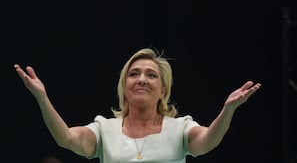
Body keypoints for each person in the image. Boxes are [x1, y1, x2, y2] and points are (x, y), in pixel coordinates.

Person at [14, 48, 261, 162]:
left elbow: (208, 140)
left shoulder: (180, 129)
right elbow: (66, 139)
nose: (142, 79)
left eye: (151, 75)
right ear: (125, 86)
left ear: (163, 90)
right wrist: (42, 98)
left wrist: (228, 110)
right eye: (134, 74)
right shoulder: (104, 129)